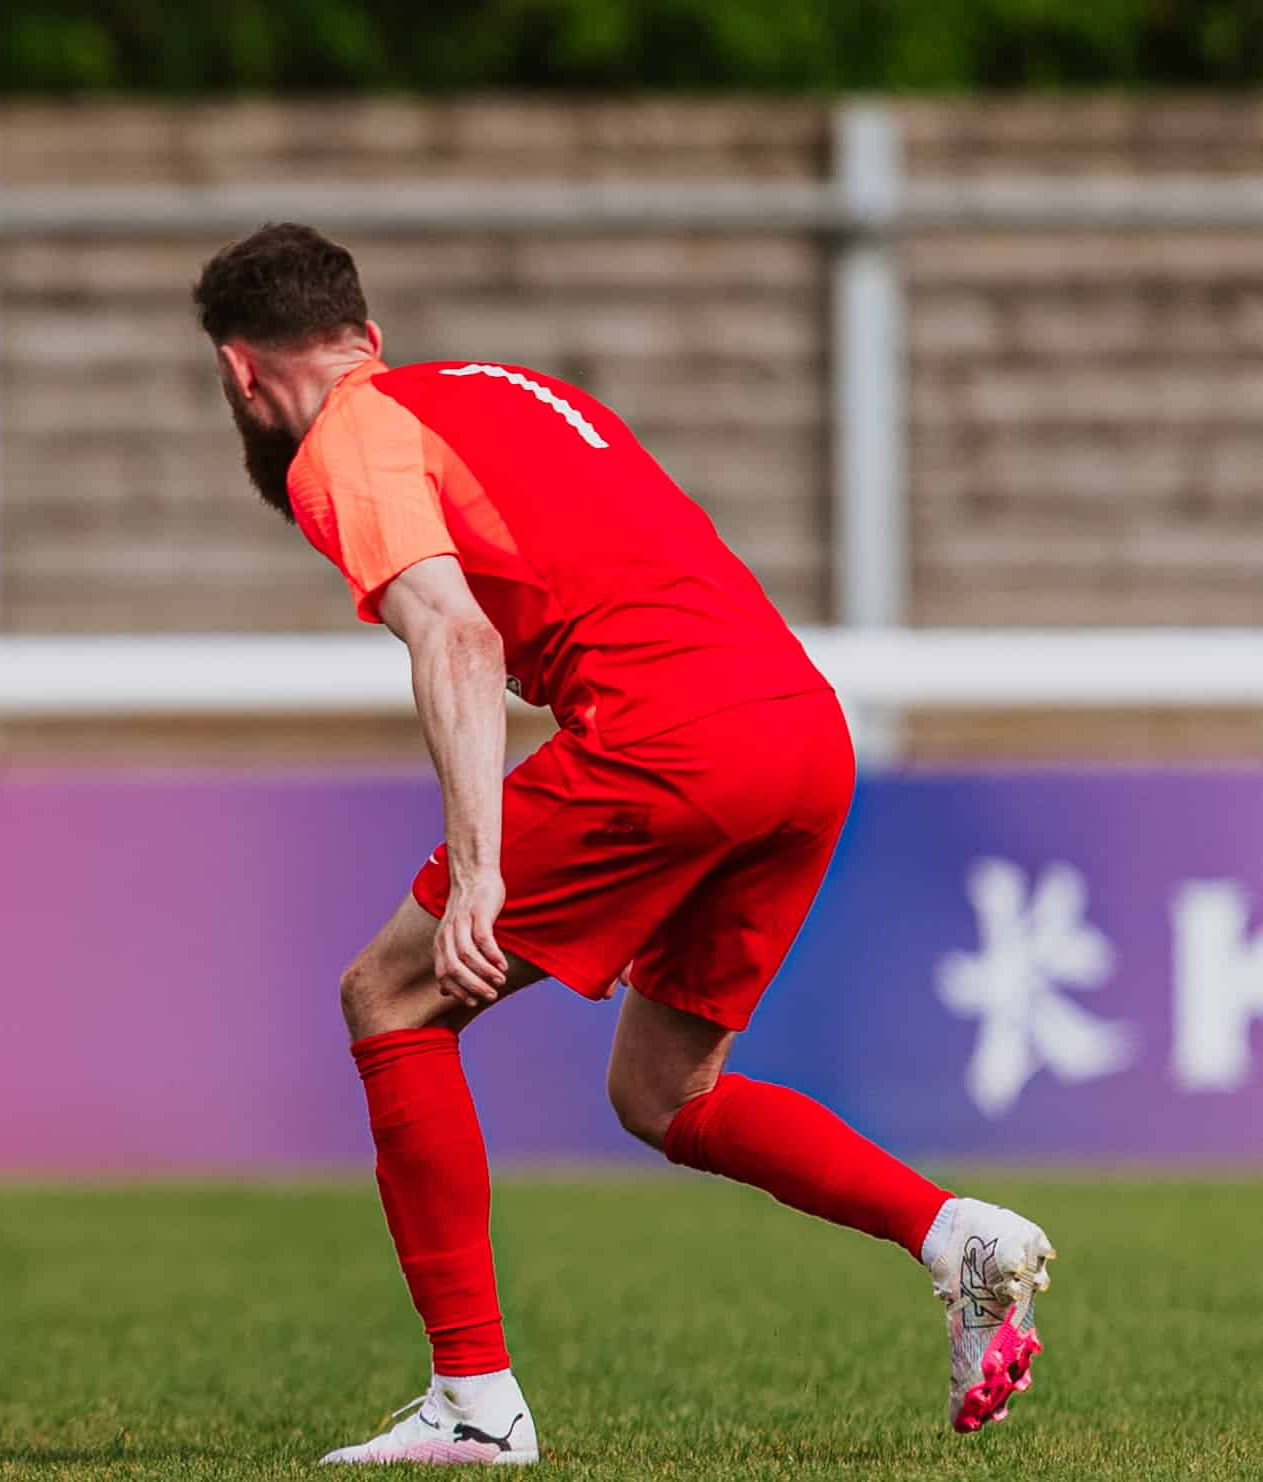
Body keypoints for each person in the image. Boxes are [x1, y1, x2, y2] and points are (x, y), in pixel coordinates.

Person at [191, 223, 1052, 1466]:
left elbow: (457, 638)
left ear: (239, 374)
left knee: (388, 996)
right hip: (802, 731)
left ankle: (474, 1407)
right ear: (367, 336)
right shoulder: (511, 390)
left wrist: (476, 863)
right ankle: (955, 1237)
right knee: (661, 1092)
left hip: (670, 733)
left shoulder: (343, 438)